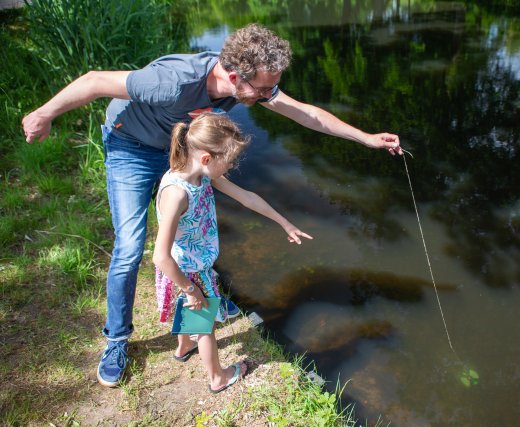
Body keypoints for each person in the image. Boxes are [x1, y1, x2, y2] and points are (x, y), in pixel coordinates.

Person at [21, 23, 402, 387]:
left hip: (179, 147)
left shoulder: (247, 84)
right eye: (266, 88)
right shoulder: (172, 82)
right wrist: (43, 114)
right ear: (236, 77)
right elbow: (93, 81)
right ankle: (117, 340)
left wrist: (366, 138)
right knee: (129, 247)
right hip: (131, 146)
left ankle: (207, 296)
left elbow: (307, 113)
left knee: (195, 221)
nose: (270, 95)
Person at [152, 112, 311, 393]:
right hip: (187, 271)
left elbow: (247, 197)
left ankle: (183, 346)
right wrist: (190, 289)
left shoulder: (201, 175)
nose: (233, 166)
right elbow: (160, 256)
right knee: (206, 325)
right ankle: (218, 377)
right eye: (230, 160)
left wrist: (284, 222)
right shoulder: (177, 194)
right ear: (206, 158)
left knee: (193, 317)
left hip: (194, 264)